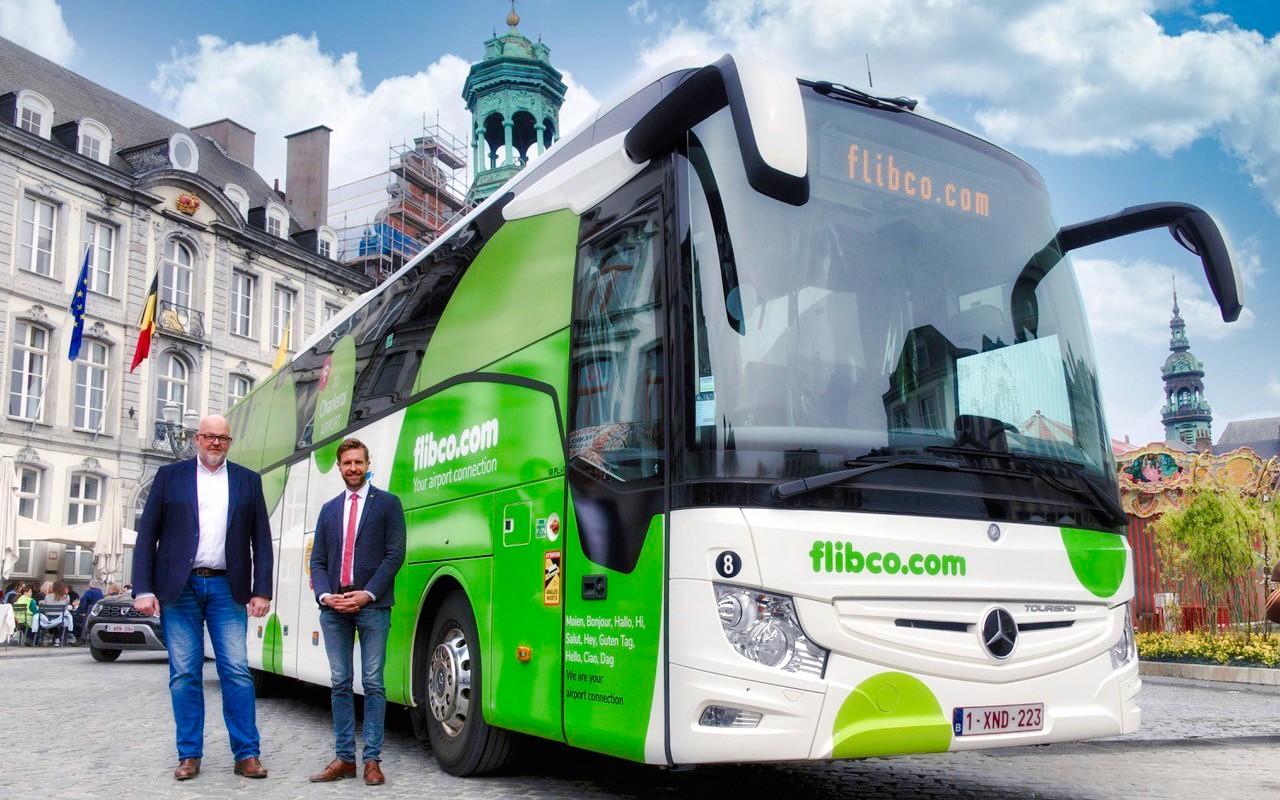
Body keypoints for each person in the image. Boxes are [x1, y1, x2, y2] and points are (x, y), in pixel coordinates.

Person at [132, 414, 274, 782]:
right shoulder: (170, 476)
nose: (215, 443)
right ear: (197, 439)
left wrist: (262, 590)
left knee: (237, 672)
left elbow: (261, 539)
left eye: (222, 438)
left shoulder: (248, 480)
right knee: (184, 674)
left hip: (228, 587)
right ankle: (189, 755)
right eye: (209, 437)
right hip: (179, 588)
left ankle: (247, 754)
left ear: (230, 442)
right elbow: (147, 535)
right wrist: (143, 589)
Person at [308, 438, 405, 786]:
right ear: (339, 466)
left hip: (373, 607)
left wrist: (366, 594)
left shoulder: (388, 504)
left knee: (374, 682)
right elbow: (318, 560)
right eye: (347, 463)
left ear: (367, 464)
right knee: (339, 682)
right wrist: (325, 596)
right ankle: (345, 759)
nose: (353, 468)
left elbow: (394, 555)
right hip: (334, 609)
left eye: (358, 462)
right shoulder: (329, 510)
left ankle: (372, 760)